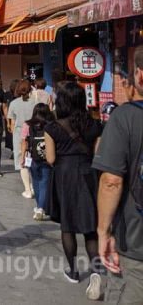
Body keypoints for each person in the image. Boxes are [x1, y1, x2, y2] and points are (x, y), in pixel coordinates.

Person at [94, 45, 143, 304]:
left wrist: (103, 231)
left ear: (139, 76)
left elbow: (111, 181)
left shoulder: (125, 117)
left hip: (136, 245)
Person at [45, 81, 103, 290]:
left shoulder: (53, 127)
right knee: (90, 227)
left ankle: (73, 271)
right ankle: (97, 271)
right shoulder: (94, 124)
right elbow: (98, 154)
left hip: (65, 175)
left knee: (67, 226)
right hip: (89, 174)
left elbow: (50, 158)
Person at [20, 103, 55, 221]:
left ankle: (39, 206)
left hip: (32, 157)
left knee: (35, 181)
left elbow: (24, 142)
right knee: (44, 182)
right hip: (47, 158)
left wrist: (23, 157)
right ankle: (41, 208)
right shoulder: (51, 125)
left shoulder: (27, 124)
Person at [8, 79, 37, 199]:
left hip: (19, 133)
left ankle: (27, 189)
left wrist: (13, 132)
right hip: (34, 132)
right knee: (34, 159)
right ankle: (35, 187)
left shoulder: (14, 103)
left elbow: (12, 123)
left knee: (22, 161)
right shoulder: (35, 102)